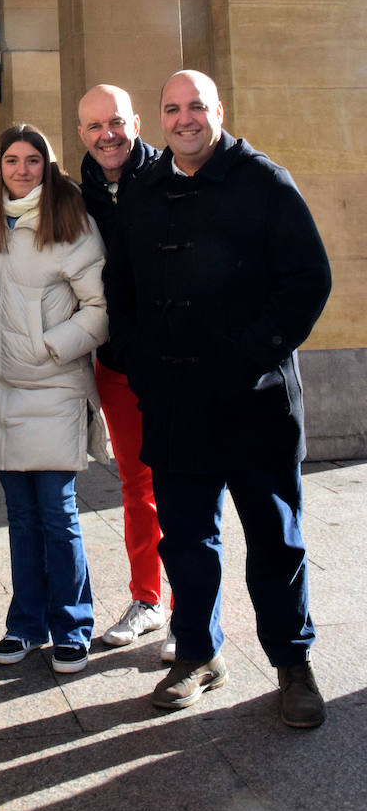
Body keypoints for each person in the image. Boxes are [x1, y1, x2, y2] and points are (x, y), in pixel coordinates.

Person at [105, 70, 332, 728]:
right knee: (187, 540)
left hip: (254, 401)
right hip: (174, 399)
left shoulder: (265, 180)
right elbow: (120, 283)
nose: (184, 119)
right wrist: (136, 358)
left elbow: (308, 279)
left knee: (275, 541)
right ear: (161, 118)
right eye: (172, 108)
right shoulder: (141, 189)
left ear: (218, 111)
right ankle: (198, 655)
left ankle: (293, 664)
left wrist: (251, 355)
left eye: (195, 106)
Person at [0, 124, 107, 674]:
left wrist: (51, 348)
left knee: (57, 512)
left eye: (32, 161)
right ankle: (26, 624)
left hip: (51, 386)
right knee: (21, 516)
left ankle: (73, 625)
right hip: (0, 387)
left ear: (47, 166)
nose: (21, 171)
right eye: (11, 161)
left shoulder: (71, 222)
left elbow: (99, 309)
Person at [77, 84, 170, 655]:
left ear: (135, 122)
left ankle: (195, 610)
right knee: (137, 484)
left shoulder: (166, 178)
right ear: (81, 133)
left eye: (115, 122)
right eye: (93, 127)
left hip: (174, 359)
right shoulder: (76, 195)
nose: (106, 135)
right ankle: (148, 597)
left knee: (184, 482)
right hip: (116, 361)